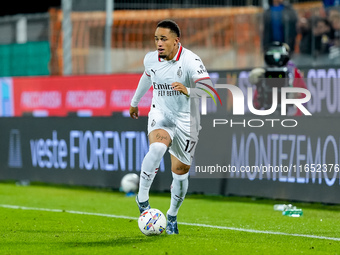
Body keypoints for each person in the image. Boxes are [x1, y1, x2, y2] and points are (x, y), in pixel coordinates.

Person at [129, 19, 212, 235]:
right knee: (157, 148)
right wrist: (135, 102)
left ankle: (172, 215)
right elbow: (146, 79)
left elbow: (210, 90)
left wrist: (188, 90)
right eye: (156, 39)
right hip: (161, 114)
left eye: (163, 39)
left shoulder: (191, 60)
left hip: (187, 121)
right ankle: (143, 198)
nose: (158, 43)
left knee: (180, 173)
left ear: (176, 41)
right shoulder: (151, 59)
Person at [249, 42, 308, 116]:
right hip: (268, 116)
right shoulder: (264, 74)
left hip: (291, 116)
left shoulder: (293, 71)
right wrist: (258, 85)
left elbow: (305, 96)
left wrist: (295, 95)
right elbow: (256, 104)